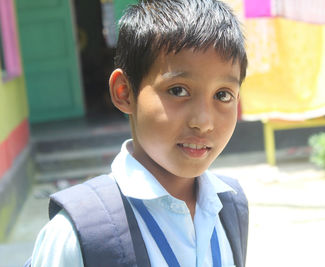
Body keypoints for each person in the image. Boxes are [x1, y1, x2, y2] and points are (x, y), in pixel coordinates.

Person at [27, 0, 249, 266]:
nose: (203, 122)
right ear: (125, 92)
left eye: (223, 95)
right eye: (178, 90)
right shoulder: (78, 234)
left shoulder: (230, 206)